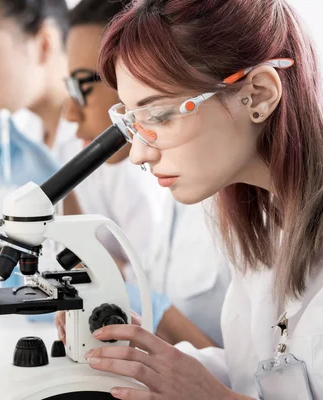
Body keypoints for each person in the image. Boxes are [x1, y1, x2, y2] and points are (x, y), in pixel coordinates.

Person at [57, 0, 323, 398]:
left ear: (259, 95)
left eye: (159, 116)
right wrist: (146, 357)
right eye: (133, 122)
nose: (140, 154)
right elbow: (256, 375)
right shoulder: (263, 212)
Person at [56, 0, 230, 348]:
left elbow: (249, 373)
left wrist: (146, 309)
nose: (139, 154)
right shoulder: (177, 194)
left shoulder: (229, 198)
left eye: (82, 86)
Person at [0, 0, 162, 271]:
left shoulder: (117, 138)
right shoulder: (30, 133)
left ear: (45, 43)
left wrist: (62, 208)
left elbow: (149, 282)